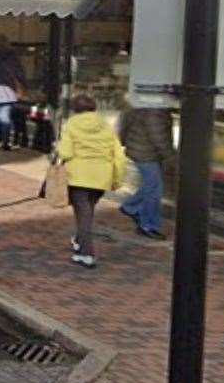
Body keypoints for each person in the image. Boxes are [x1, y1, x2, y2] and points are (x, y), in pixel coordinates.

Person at [55, 94, 127, 268]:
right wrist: (117, 179)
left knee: (84, 214)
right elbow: (119, 156)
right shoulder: (106, 126)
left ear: (75, 109)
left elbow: (66, 153)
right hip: (101, 176)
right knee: (87, 211)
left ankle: (87, 254)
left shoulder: (71, 124)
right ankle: (79, 240)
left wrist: (57, 147)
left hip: (78, 175)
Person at [116, 104, 176, 239]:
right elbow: (159, 138)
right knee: (154, 188)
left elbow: (124, 125)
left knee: (151, 185)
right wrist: (171, 157)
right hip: (145, 153)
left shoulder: (143, 104)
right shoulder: (155, 111)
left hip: (140, 149)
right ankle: (148, 225)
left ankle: (131, 207)